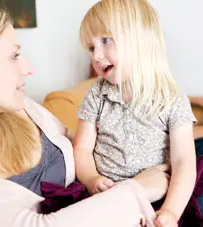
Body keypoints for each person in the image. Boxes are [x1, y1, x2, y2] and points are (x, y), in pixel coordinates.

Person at [0, 1, 170, 226]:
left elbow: (80, 143)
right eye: (14, 56)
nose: (29, 68)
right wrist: (140, 188)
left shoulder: (20, 107)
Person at [74, 0, 197, 227]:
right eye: (91, 48)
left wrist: (170, 211)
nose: (97, 56)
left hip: (157, 200)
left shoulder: (172, 98)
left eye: (105, 40)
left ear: (140, 39)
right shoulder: (96, 94)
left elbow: (183, 163)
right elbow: (81, 148)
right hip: (105, 196)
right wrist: (91, 178)